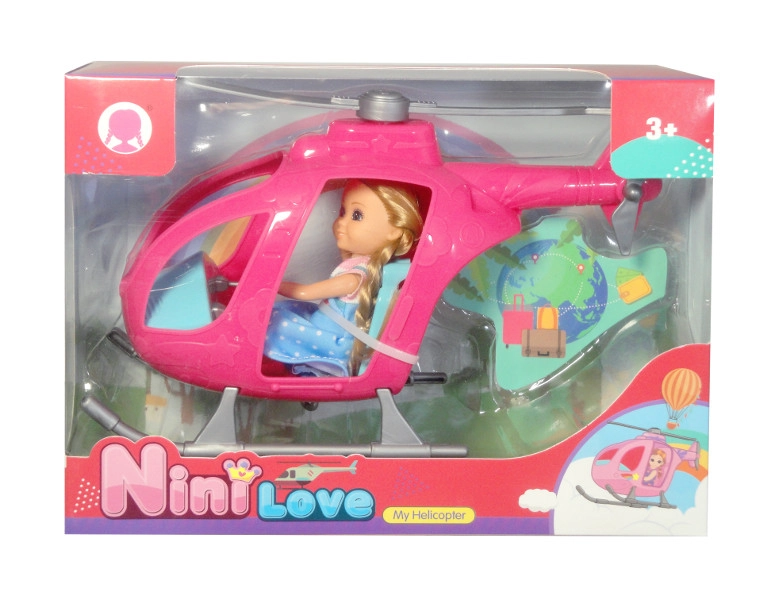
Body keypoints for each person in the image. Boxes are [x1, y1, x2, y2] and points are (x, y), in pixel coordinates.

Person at [263, 179, 423, 376]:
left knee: (275, 321)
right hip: (326, 325)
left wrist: (270, 284)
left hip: (334, 340)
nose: (341, 222)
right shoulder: (361, 267)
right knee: (284, 313)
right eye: (342, 212)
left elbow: (304, 292)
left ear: (393, 231)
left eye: (356, 215)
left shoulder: (355, 278)